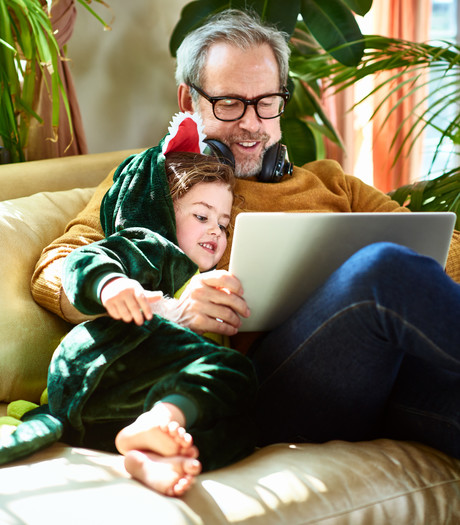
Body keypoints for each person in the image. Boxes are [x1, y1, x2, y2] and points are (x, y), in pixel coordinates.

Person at [31, 9, 460, 491]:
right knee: (384, 269)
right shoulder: (159, 182)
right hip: (258, 386)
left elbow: (445, 251)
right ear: (188, 100)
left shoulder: (332, 182)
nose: (252, 124)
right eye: (230, 103)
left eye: (266, 103)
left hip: (380, 376)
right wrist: (145, 298)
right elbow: (57, 263)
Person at [41, 117, 258, 497]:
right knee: (231, 371)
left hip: (116, 408)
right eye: (202, 216)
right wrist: (112, 283)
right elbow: (84, 261)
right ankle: (162, 420)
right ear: (161, 210)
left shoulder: (199, 276)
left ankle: (151, 455)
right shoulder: (152, 245)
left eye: (223, 224)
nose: (215, 231)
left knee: (239, 426)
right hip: (103, 362)